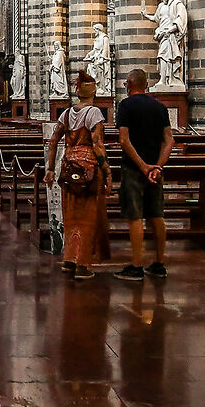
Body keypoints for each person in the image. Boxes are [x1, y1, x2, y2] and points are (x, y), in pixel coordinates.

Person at [112, 68, 175, 280]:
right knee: (157, 216)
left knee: (136, 217)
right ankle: (159, 264)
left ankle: (137, 265)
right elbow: (169, 140)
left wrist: (142, 166)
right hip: (155, 172)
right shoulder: (159, 107)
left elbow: (123, 140)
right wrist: (157, 166)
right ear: (146, 85)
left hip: (134, 170)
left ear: (129, 85)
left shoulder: (126, 105)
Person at [46, 72, 109, 280]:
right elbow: (98, 145)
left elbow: (54, 141)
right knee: (88, 217)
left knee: (70, 216)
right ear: (94, 92)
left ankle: (69, 260)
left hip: (68, 167)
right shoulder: (94, 114)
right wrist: (107, 170)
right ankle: (83, 264)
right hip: (88, 169)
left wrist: (50, 169)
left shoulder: (66, 114)